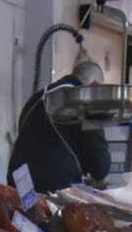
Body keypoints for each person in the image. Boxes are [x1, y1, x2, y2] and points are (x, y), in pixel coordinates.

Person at [9, 60, 112, 193]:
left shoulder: (37, 97)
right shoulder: (84, 100)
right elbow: (100, 165)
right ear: (94, 85)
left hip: (21, 181)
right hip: (54, 185)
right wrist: (100, 175)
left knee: (27, 207)